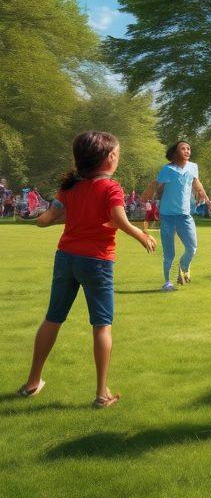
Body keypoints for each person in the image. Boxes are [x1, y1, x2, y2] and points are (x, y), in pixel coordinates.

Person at [18, 131, 156, 408]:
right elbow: (119, 220)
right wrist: (142, 236)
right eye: (117, 153)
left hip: (66, 257)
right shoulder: (111, 188)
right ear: (109, 158)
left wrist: (74, 218)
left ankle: (33, 382)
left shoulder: (69, 187)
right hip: (97, 261)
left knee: (53, 318)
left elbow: (44, 220)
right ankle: (101, 394)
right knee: (102, 326)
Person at [141, 140, 207, 292]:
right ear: (175, 153)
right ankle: (167, 282)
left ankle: (183, 266)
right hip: (167, 216)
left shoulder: (193, 167)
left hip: (185, 216)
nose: (187, 151)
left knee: (192, 247)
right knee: (169, 253)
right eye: (183, 148)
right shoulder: (168, 169)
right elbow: (156, 184)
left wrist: (203, 194)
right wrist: (146, 195)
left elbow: (196, 182)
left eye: (189, 148)